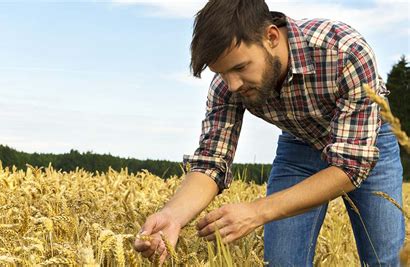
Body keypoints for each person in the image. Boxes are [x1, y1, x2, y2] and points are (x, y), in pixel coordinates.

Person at [133, 0, 405, 266]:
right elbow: (211, 162)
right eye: (222, 73)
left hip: (367, 145)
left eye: (240, 68)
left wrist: (256, 211)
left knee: (387, 260)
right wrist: (173, 215)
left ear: (271, 36)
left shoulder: (344, 50)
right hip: (299, 145)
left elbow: (350, 165)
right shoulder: (227, 84)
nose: (233, 84)